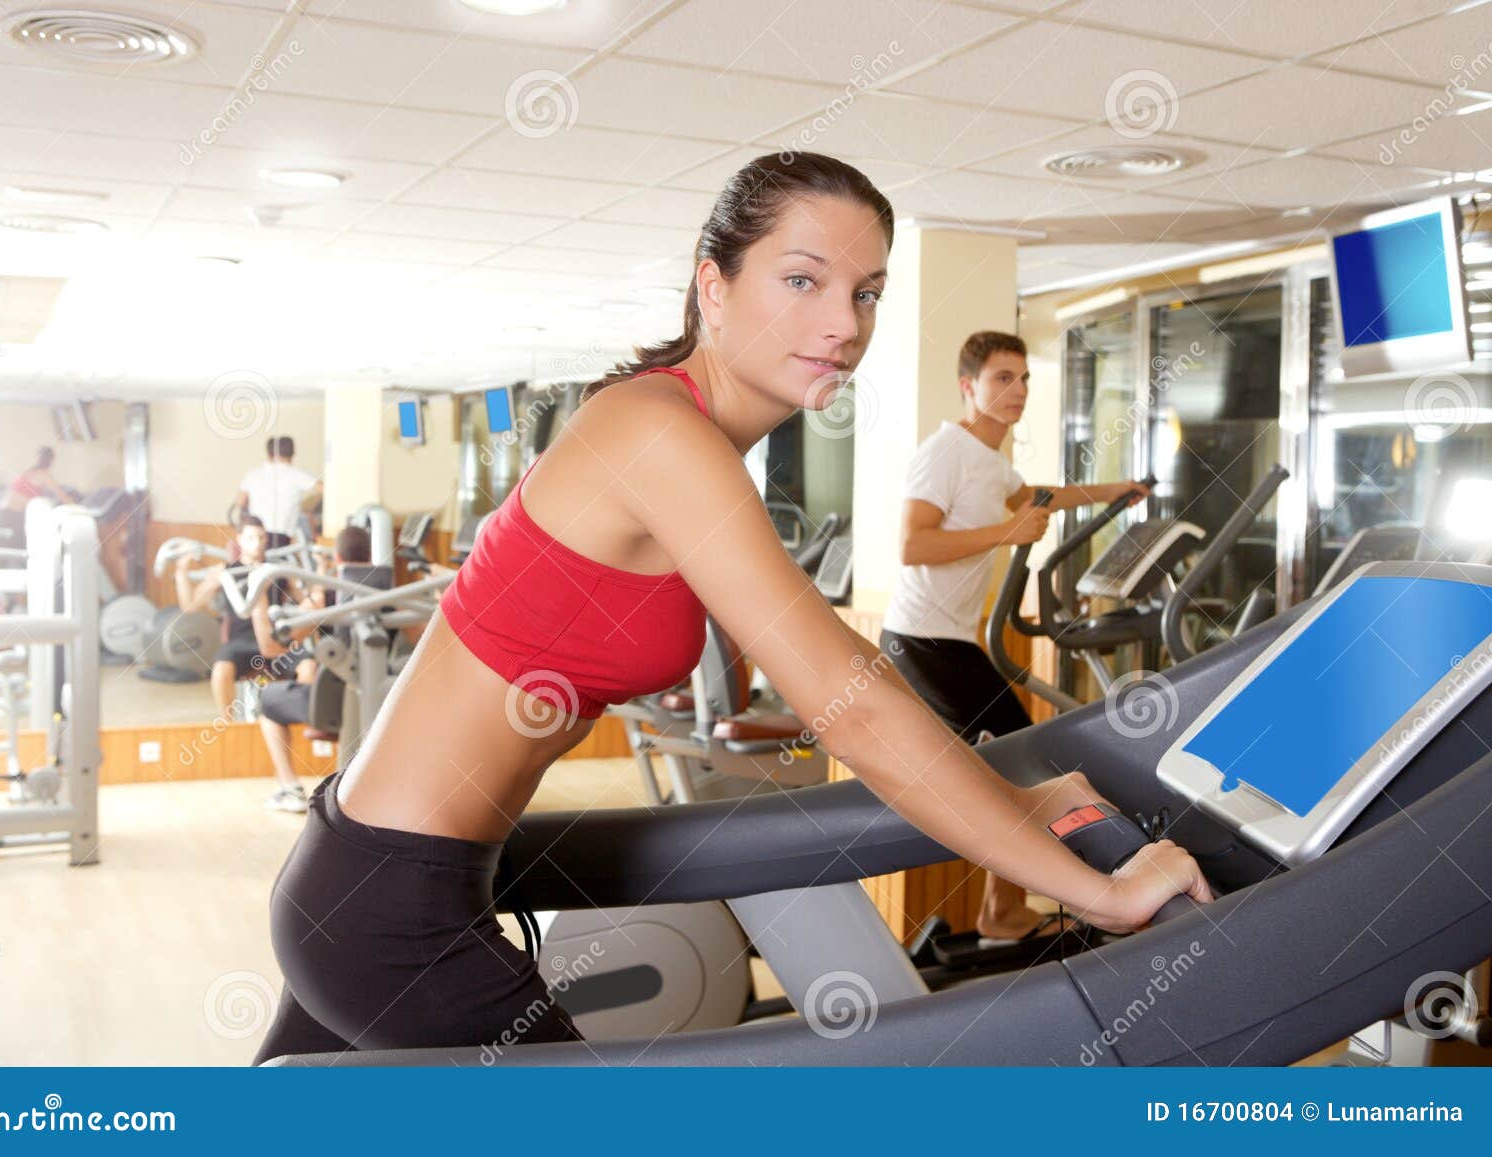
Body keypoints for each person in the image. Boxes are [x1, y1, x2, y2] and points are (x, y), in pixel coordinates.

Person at [252, 152, 1210, 1064]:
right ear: (713, 286)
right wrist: (1101, 890)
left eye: (865, 291)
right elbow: (854, 703)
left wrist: (1022, 804)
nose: (843, 320)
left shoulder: (682, 433)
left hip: (385, 876)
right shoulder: (659, 434)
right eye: (803, 280)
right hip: (392, 904)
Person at [879, 329, 1151, 946]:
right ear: (968, 386)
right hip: (926, 640)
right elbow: (912, 543)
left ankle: (1000, 909)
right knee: (1030, 764)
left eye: (1024, 378)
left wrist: (1115, 492)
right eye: (1002, 378)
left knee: (1001, 772)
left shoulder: (991, 461)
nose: (1017, 391)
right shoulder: (946, 452)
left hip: (944, 640)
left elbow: (1037, 498)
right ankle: (1013, 907)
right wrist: (1009, 533)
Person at [257, 525, 375, 815]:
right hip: (383, 700)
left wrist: (259, 603)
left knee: (268, 700)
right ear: (371, 554)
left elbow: (272, 649)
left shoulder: (327, 597)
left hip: (332, 704)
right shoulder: (391, 590)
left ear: (337, 557)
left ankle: (289, 788)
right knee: (309, 667)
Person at [174, 515, 295, 717]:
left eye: (262, 538)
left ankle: (291, 724)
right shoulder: (226, 571)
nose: (257, 544)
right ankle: (228, 725)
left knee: (307, 667)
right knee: (221, 671)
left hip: (275, 640)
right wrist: (181, 574)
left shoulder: (278, 571)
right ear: (239, 539)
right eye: (251, 538)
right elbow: (190, 606)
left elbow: (308, 600)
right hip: (241, 642)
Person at [236, 436, 320, 539]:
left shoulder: (252, 474)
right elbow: (326, 490)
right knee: (305, 518)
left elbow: (240, 502)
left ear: (268, 454)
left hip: (256, 534)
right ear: (292, 455)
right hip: (282, 537)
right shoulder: (297, 474)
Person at [0, 446, 76, 545]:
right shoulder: (44, 475)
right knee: (41, 533)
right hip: (11, 515)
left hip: (0, 512)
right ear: (51, 461)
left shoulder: (28, 472)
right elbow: (62, 496)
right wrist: (78, 508)